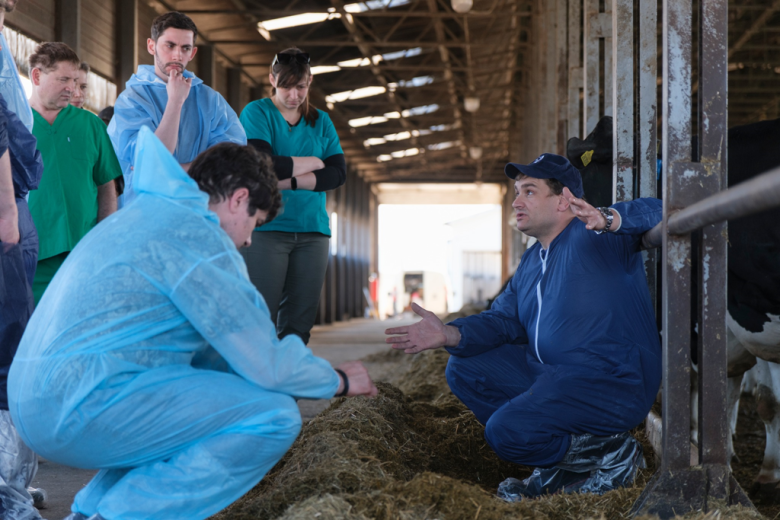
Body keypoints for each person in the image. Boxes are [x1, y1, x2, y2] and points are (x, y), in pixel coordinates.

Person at [8, 127, 378, 520]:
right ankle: (120, 515)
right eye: (255, 221)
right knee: (272, 415)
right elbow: (264, 361)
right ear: (239, 200)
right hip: (76, 404)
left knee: (197, 407)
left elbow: (216, 359)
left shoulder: (148, 212)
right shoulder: (197, 238)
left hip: (35, 399)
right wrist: (337, 380)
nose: (250, 240)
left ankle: (92, 512)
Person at [385, 153, 662, 500]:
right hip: (555, 377)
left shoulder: (597, 235)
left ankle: (611, 455)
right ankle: (568, 462)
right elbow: (504, 321)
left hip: (611, 383)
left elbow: (660, 209)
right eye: (517, 192)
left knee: (507, 432)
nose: (516, 201)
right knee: (464, 368)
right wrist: (450, 333)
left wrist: (608, 217)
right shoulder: (532, 261)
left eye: (529, 191)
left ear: (563, 200)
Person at [240, 47, 346, 345]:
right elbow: (260, 165)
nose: (294, 95)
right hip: (267, 229)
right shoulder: (256, 113)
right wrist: (313, 164)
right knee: (259, 318)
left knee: (299, 325)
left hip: (313, 231)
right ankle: (254, 389)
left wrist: (284, 182)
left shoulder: (321, 120)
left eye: (300, 86)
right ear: (272, 79)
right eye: (286, 86)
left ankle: (288, 390)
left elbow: (338, 174)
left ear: (309, 82)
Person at [108, 11, 246, 205]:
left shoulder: (210, 100)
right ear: (151, 46)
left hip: (195, 212)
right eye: (170, 45)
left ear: (193, 52)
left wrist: (172, 169)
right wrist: (175, 101)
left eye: (185, 48)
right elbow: (150, 160)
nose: (177, 55)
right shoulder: (132, 100)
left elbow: (232, 160)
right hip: (143, 212)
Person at [28, 42, 122, 304]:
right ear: (36, 76)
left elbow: (106, 186)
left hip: (84, 253)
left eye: (75, 80)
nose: (71, 88)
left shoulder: (90, 125)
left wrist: (106, 239)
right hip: (31, 256)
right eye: (63, 79)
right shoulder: (16, 124)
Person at [0, 1, 46, 518]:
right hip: (8, 209)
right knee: (7, 345)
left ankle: (11, 485)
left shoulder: (4, 56)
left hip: (14, 205)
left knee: (12, 342)